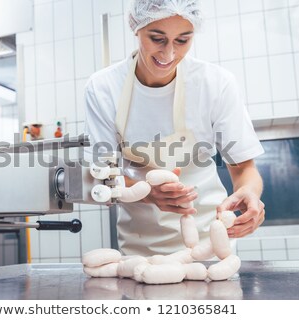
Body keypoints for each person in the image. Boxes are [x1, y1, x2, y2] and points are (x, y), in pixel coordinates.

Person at [84, 0, 265, 256]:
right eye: (157, 38)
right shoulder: (103, 88)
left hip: (211, 243)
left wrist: (249, 193)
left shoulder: (215, 84)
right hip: (140, 247)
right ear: (136, 27)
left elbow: (244, 168)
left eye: (182, 40)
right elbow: (101, 175)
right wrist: (147, 193)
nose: (169, 54)